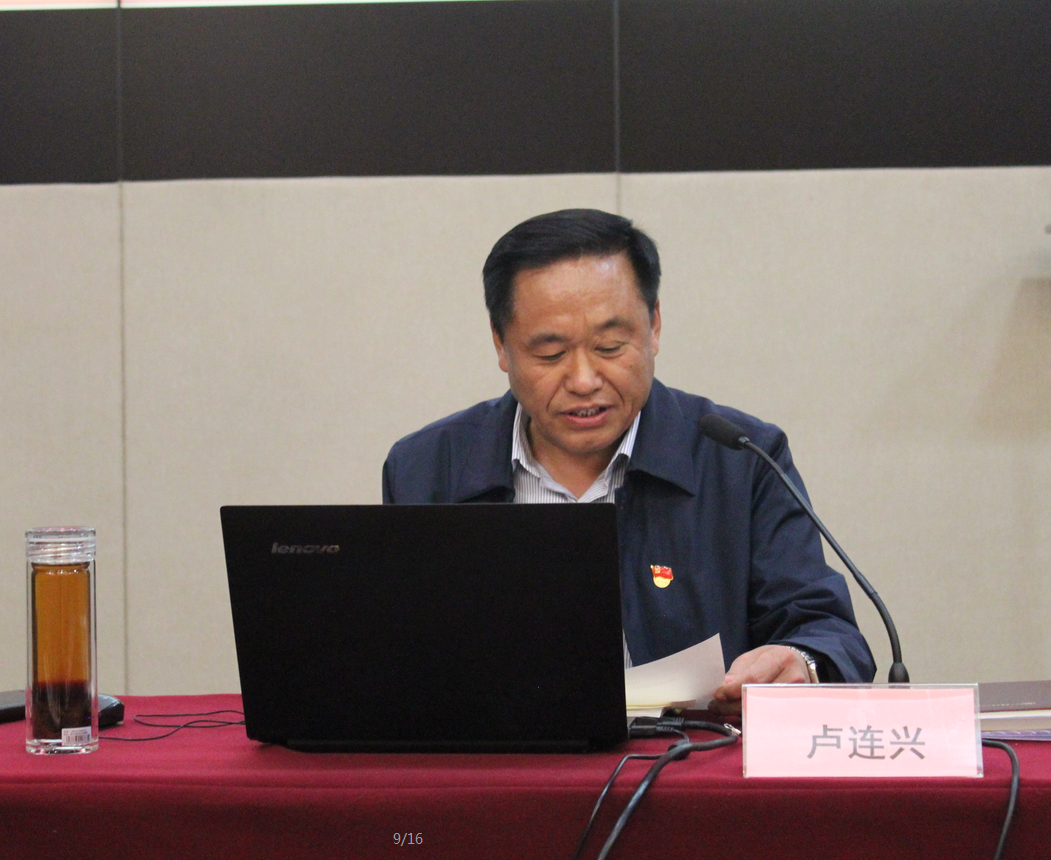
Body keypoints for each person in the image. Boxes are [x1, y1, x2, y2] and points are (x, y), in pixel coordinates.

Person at [382, 209, 875, 713]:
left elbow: (825, 630)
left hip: (687, 752)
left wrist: (800, 660)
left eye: (609, 347)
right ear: (501, 344)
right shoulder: (427, 468)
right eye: (551, 354)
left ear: (654, 326)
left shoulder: (740, 458)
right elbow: (398, 653)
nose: (583, 380)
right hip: (499, 755)